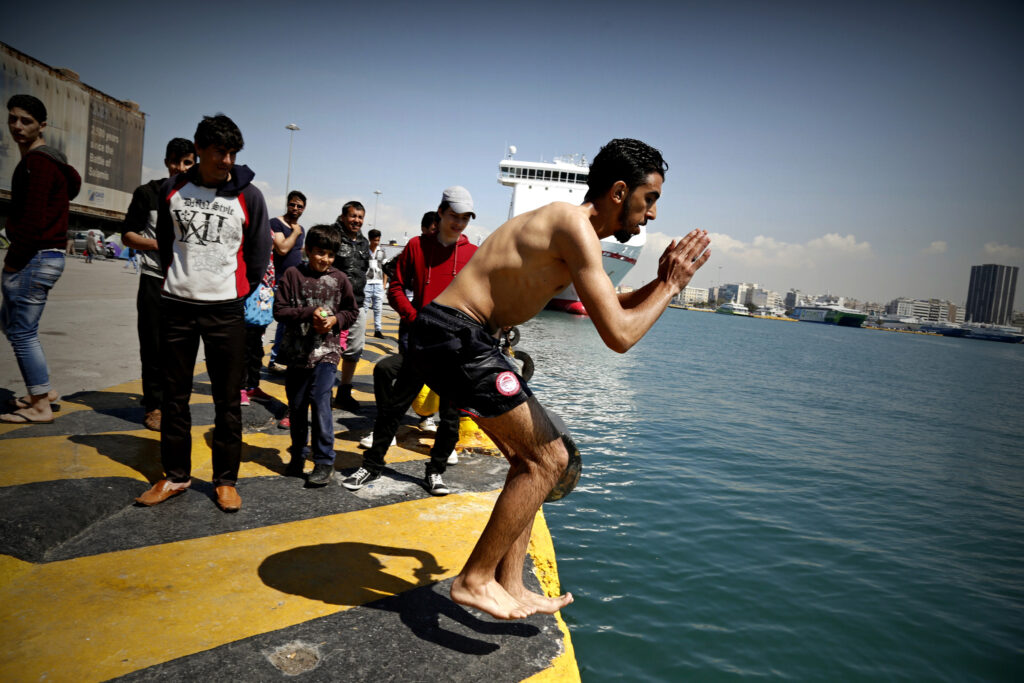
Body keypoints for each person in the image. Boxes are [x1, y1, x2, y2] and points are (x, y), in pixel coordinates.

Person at [407, 139, 711, 619]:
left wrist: (667, 279)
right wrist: (671, 286)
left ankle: (510, 581)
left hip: (461, 339)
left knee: (530, 457)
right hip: (456, 337)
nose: (651, 215)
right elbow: (619, 336)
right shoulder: (572, 225)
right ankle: (474, 579)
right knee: (551, 458)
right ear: (618, 191)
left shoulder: (572, 232)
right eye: (649, 199)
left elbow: (615, 304)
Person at [135, 114, 271, 513]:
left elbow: (259, 252)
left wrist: (238, 291)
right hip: (176, 307)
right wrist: (180, 278)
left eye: (232, 153)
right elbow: (164, 243)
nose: (227, 161)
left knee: (227, 400)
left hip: (225, 311)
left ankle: (225, 480)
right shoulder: (172, 189)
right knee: (173, 397)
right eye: (219, 153)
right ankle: (176, 475)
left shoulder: (250, 196)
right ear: (199, 151)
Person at [343, 186, 478, 496]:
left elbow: (483, 298)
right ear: (442, 212)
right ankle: (372, 465)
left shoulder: (473, 255)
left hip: (455, 351)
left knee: (451, 419)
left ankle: (436, 471)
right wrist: (414, 317)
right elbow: (396, 287)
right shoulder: (417, 246)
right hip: (420, 347)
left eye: (465, 218)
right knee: (393, 409)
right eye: (454, 216)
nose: (459, 223)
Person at [1, 94, 82, 424]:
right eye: (13, 119)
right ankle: (43, 390)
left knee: (21, 332)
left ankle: (39, 404)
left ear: (42, 125)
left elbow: (33, 221)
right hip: (48, 256)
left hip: (34, 257)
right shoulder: (54, 164)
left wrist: (12, 263)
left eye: (26, 121)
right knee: (14, 325)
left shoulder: (37, 164)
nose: (17, 126)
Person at [273, 225, 358, 485]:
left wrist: (334, 320)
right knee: (297, 406)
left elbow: (350, 311)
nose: (325, 259)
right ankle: (298, 455)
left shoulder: (340, 279)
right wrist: (309, 313)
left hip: (327, 352)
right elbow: (279, 310)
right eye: (320, 253)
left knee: (320, 403)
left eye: (330, 255)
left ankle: (324, 461)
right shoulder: (292, 274)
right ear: (307, 250)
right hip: (297, 353)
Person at [121, 137, 196, 431]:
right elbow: (128, 235)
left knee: (181, 349)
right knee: (152, 346)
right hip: (154, 280)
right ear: (166, 162)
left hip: (187, 285)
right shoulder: (147, 194)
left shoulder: (198, 197)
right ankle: (154, 405)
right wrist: (160, 244)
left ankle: (174, 403)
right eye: (174, 161)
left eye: (187, 162)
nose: (179, 168)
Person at [330, 201, 371, 413]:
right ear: (344, 216)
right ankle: (324, 390)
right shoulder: (333, 237)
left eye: (360, 217)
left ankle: (344, 391)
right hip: (333, 304)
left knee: (354, 349)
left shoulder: (364, 243)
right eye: (353, 216)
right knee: (327, 348)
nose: (357, 220)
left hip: (358, 303)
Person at [267, 190, 307, 374]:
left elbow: (299, 251)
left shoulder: (301, 229)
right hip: (276, 281)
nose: (296, 208)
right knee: (264, 322)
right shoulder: (275, 223)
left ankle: (277, 359)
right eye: (293, 204)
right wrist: (295, 231)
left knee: (286, 323)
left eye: (300, 206)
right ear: (287, 204)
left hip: (294, 283)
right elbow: (282, 249)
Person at [364, 228, 387, 339]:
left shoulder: (382, 252)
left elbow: (385, 269)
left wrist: (384, 283)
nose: (376, 242)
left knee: (378, 309)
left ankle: (378, 330)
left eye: (378, 240)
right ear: (370, 239)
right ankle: (362, 330)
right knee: (364, 309)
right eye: (375, 240)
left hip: (378, 284)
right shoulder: (364, 251)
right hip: (366, 283)